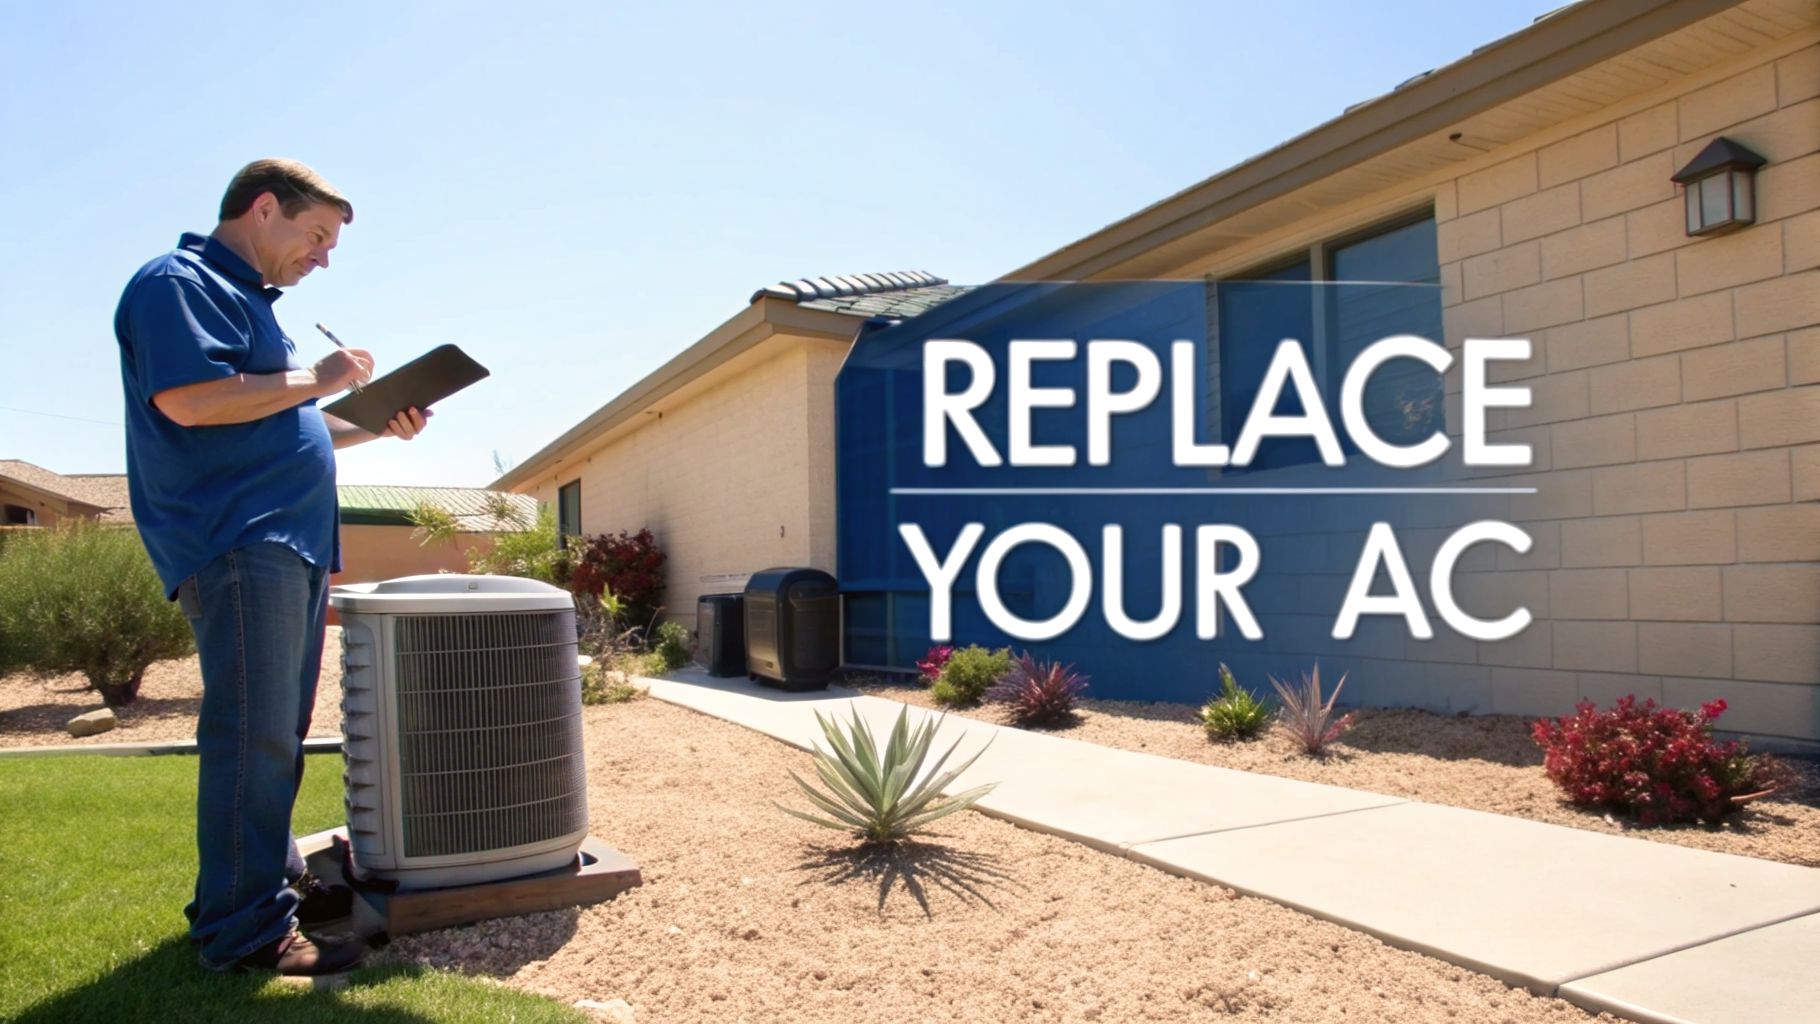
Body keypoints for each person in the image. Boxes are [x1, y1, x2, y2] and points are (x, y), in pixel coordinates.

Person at [114, 159, 428, 976]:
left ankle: (275, 885)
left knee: (277, 738)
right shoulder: (175, 282)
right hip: (237, 540)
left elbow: (282, 423)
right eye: (316, 235)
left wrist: (370, 425)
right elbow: (191, 399)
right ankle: (242, 930)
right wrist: (319, 377)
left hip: (285, 547)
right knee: (251, 739)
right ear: (263, 209)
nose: (323, 256)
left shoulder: (254, 308)